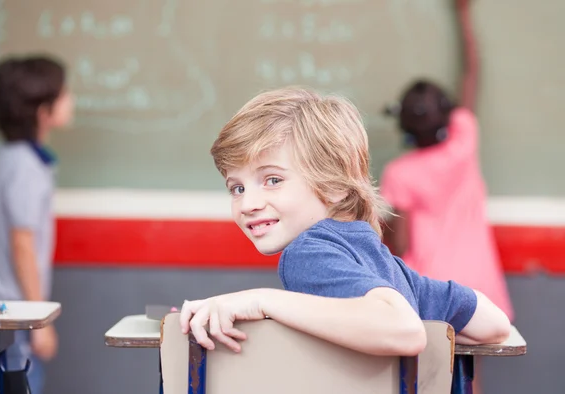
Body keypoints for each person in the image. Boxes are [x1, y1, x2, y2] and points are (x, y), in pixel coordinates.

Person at [176, 85, 511, 357]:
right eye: (237, 188)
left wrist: (261, 300)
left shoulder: (306, 254)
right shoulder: (386, 266)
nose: (248, 203)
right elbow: (494, 324)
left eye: (273, 180)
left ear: (334, 186)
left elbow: (403, 330)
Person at [379, 0, 513, 322]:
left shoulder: (399, 174)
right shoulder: (464, 139)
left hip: (430, 289)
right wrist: (463, 13)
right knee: (472, 369)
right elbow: (471, 74)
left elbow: (399, 242)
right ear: (448, 117)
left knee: (430, 369)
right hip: (480, 283)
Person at [0, 54, 74, 393]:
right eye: (63, 92)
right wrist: (39, 322)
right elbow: (22, 244)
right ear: (43, 112)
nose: (71, 98)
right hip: (10, 319)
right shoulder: (26, 166)